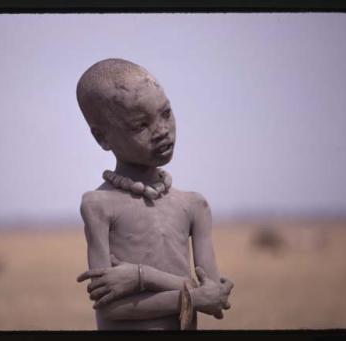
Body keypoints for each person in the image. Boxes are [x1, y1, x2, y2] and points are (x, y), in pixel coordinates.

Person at [75, 58, 233, 330]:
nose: (162, 131)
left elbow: (215, 298)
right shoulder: (99, 205)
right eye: (140, 125)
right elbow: (111, 307)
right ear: (102, 138)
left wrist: (141, 277)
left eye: (166, 113)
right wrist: (193, 296)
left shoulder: (194, 205)